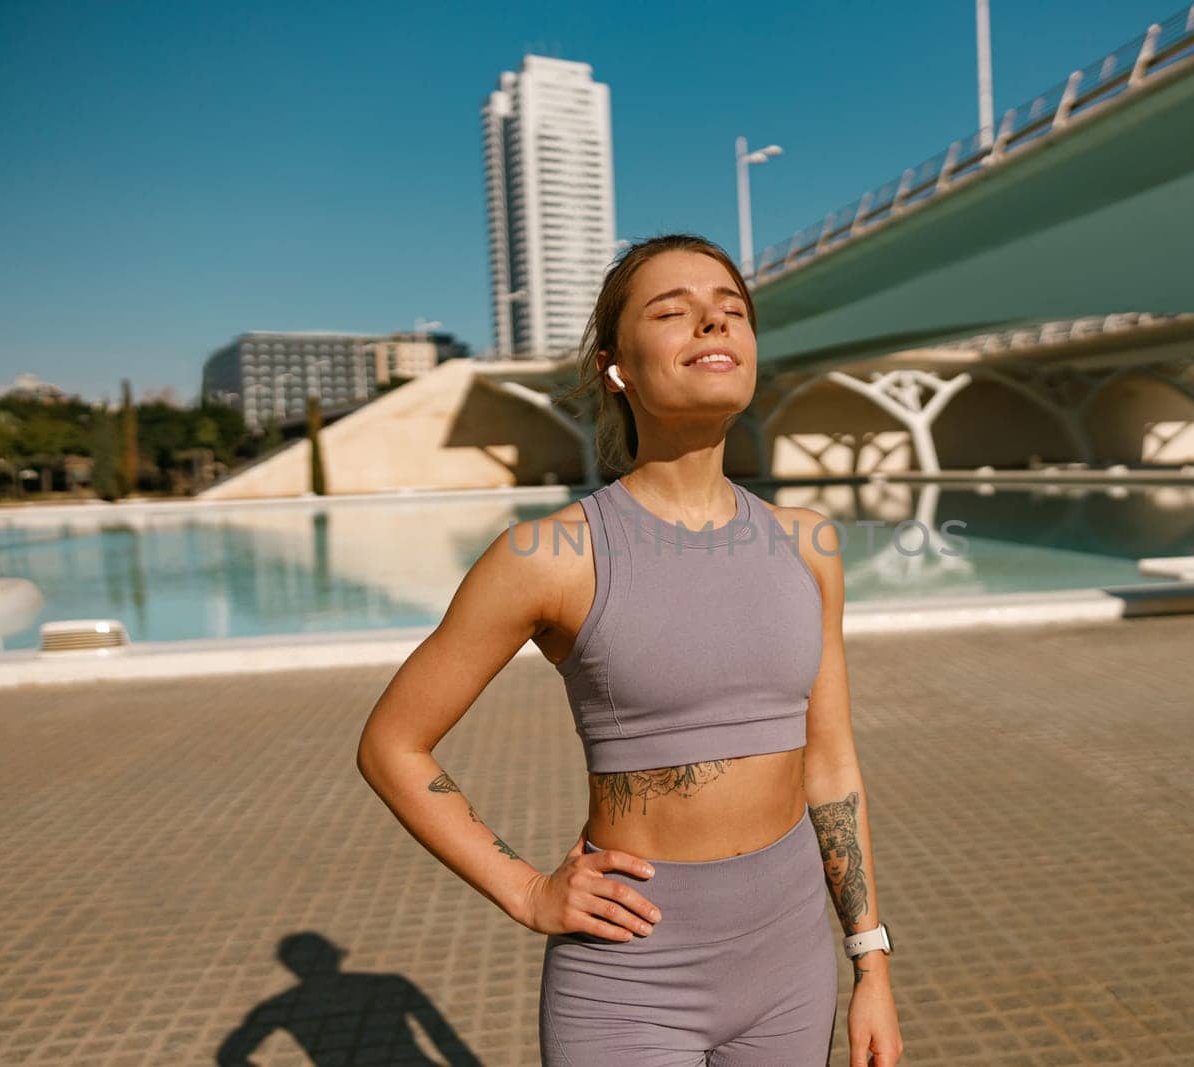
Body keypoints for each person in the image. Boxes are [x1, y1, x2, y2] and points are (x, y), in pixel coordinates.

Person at [356, 233, 903, 1066]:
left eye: (731, 312)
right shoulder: (551, 555)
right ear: (617, 366)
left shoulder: (809, 544)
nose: (713, 325)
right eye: (673, 312)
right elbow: (392, 743)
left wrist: (871, 961)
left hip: (791, 966)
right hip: (630, 978)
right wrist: (528, 890)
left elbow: (830, 763)